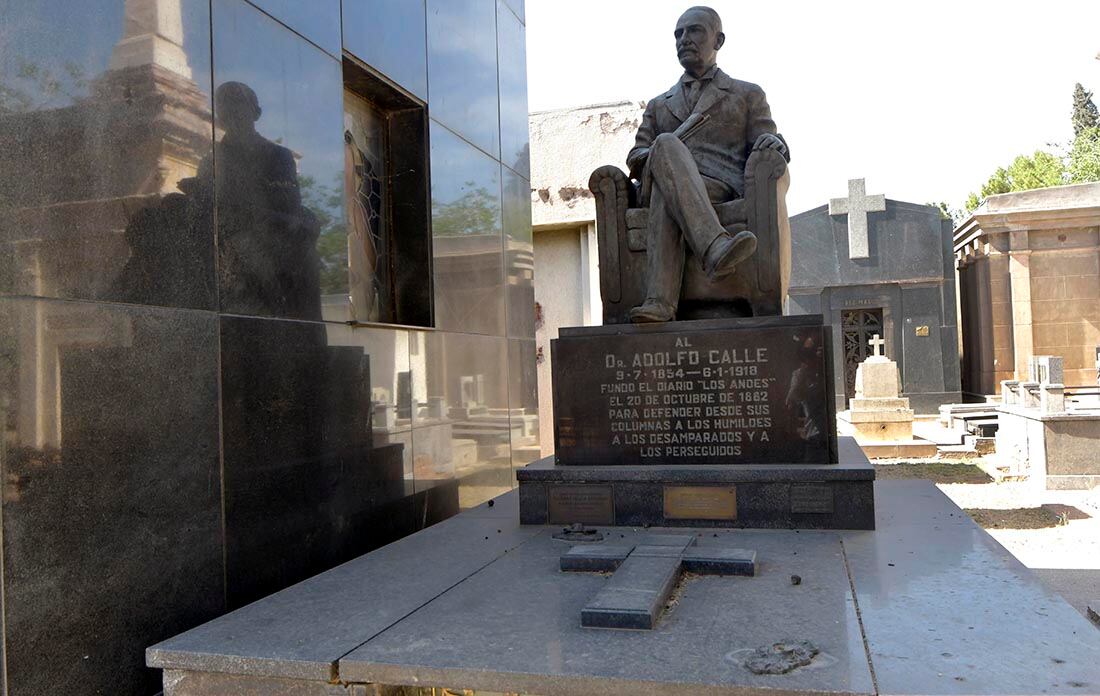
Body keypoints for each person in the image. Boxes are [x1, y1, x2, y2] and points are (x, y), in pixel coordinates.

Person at [626, 6, 790, 323]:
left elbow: (766, 139)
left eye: (694, 31)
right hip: (657, 179)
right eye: (678, 34)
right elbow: (636, 156)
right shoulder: (659, 104)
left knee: (666, 188)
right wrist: (663, 154)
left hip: (719, 187)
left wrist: (776, 144)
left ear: (719, 39)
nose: (684, 39)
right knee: (665, 146)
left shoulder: (746, 94)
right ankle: (714, 246)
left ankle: (659, 302)